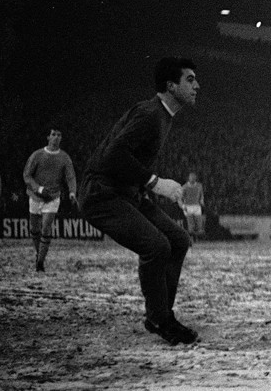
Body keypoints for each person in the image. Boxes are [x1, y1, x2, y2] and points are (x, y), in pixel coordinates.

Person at [78, 57, 199, 346]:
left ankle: (159, 314)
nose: (197, 85)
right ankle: (160, 319)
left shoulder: (161, 114)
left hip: (127, 192)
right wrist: (156, 183)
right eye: (190, 80)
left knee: (179, 240)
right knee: (156, 246)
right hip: (101, 193)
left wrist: (144, 186)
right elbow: (112, 156)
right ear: (171, 86)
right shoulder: (150, 113)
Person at [23, 128, 78, 272]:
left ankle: (40, 262)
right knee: (34, 229)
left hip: (53, 197)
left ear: (61, 138)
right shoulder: (37, 155)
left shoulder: (64, 157)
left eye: (59, 135)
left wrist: (72, 192)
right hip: (35, 196)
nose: (56, 137)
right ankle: (39, 254)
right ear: (48, 137)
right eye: (53, 134)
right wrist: (38, 188)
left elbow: (70, 176)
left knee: (46, 227)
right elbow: (27, 176)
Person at [178, 172, 205, 241]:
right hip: (188, 206)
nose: (192, 179)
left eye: (194, 177)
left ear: (195, 178)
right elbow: (180, 198)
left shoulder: (199, 186)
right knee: (191, 224)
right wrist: (182, 206)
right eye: (191, 177)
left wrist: (202, 200)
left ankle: (198, 238)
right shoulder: (185, 187)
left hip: (197, 206)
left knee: (199, 224)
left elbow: (201, 194)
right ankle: (191, 239)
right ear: (189, 178)